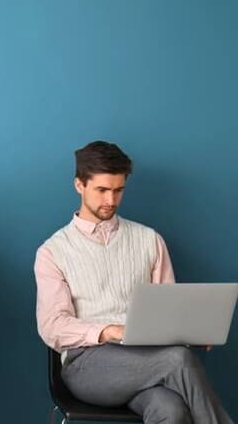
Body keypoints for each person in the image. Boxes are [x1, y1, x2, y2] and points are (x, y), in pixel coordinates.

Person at [35, 141, 233, 423]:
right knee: (177, 359)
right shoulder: (53, 251)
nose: (110, 201)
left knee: (170, 410)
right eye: (102, 190)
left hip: (147, 360)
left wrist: (191, 332)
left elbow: (169, 310)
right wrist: (108, 330)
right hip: (88, 366)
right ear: (79, 185)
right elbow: (52, 326)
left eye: (118, 190)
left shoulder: (149, 240)